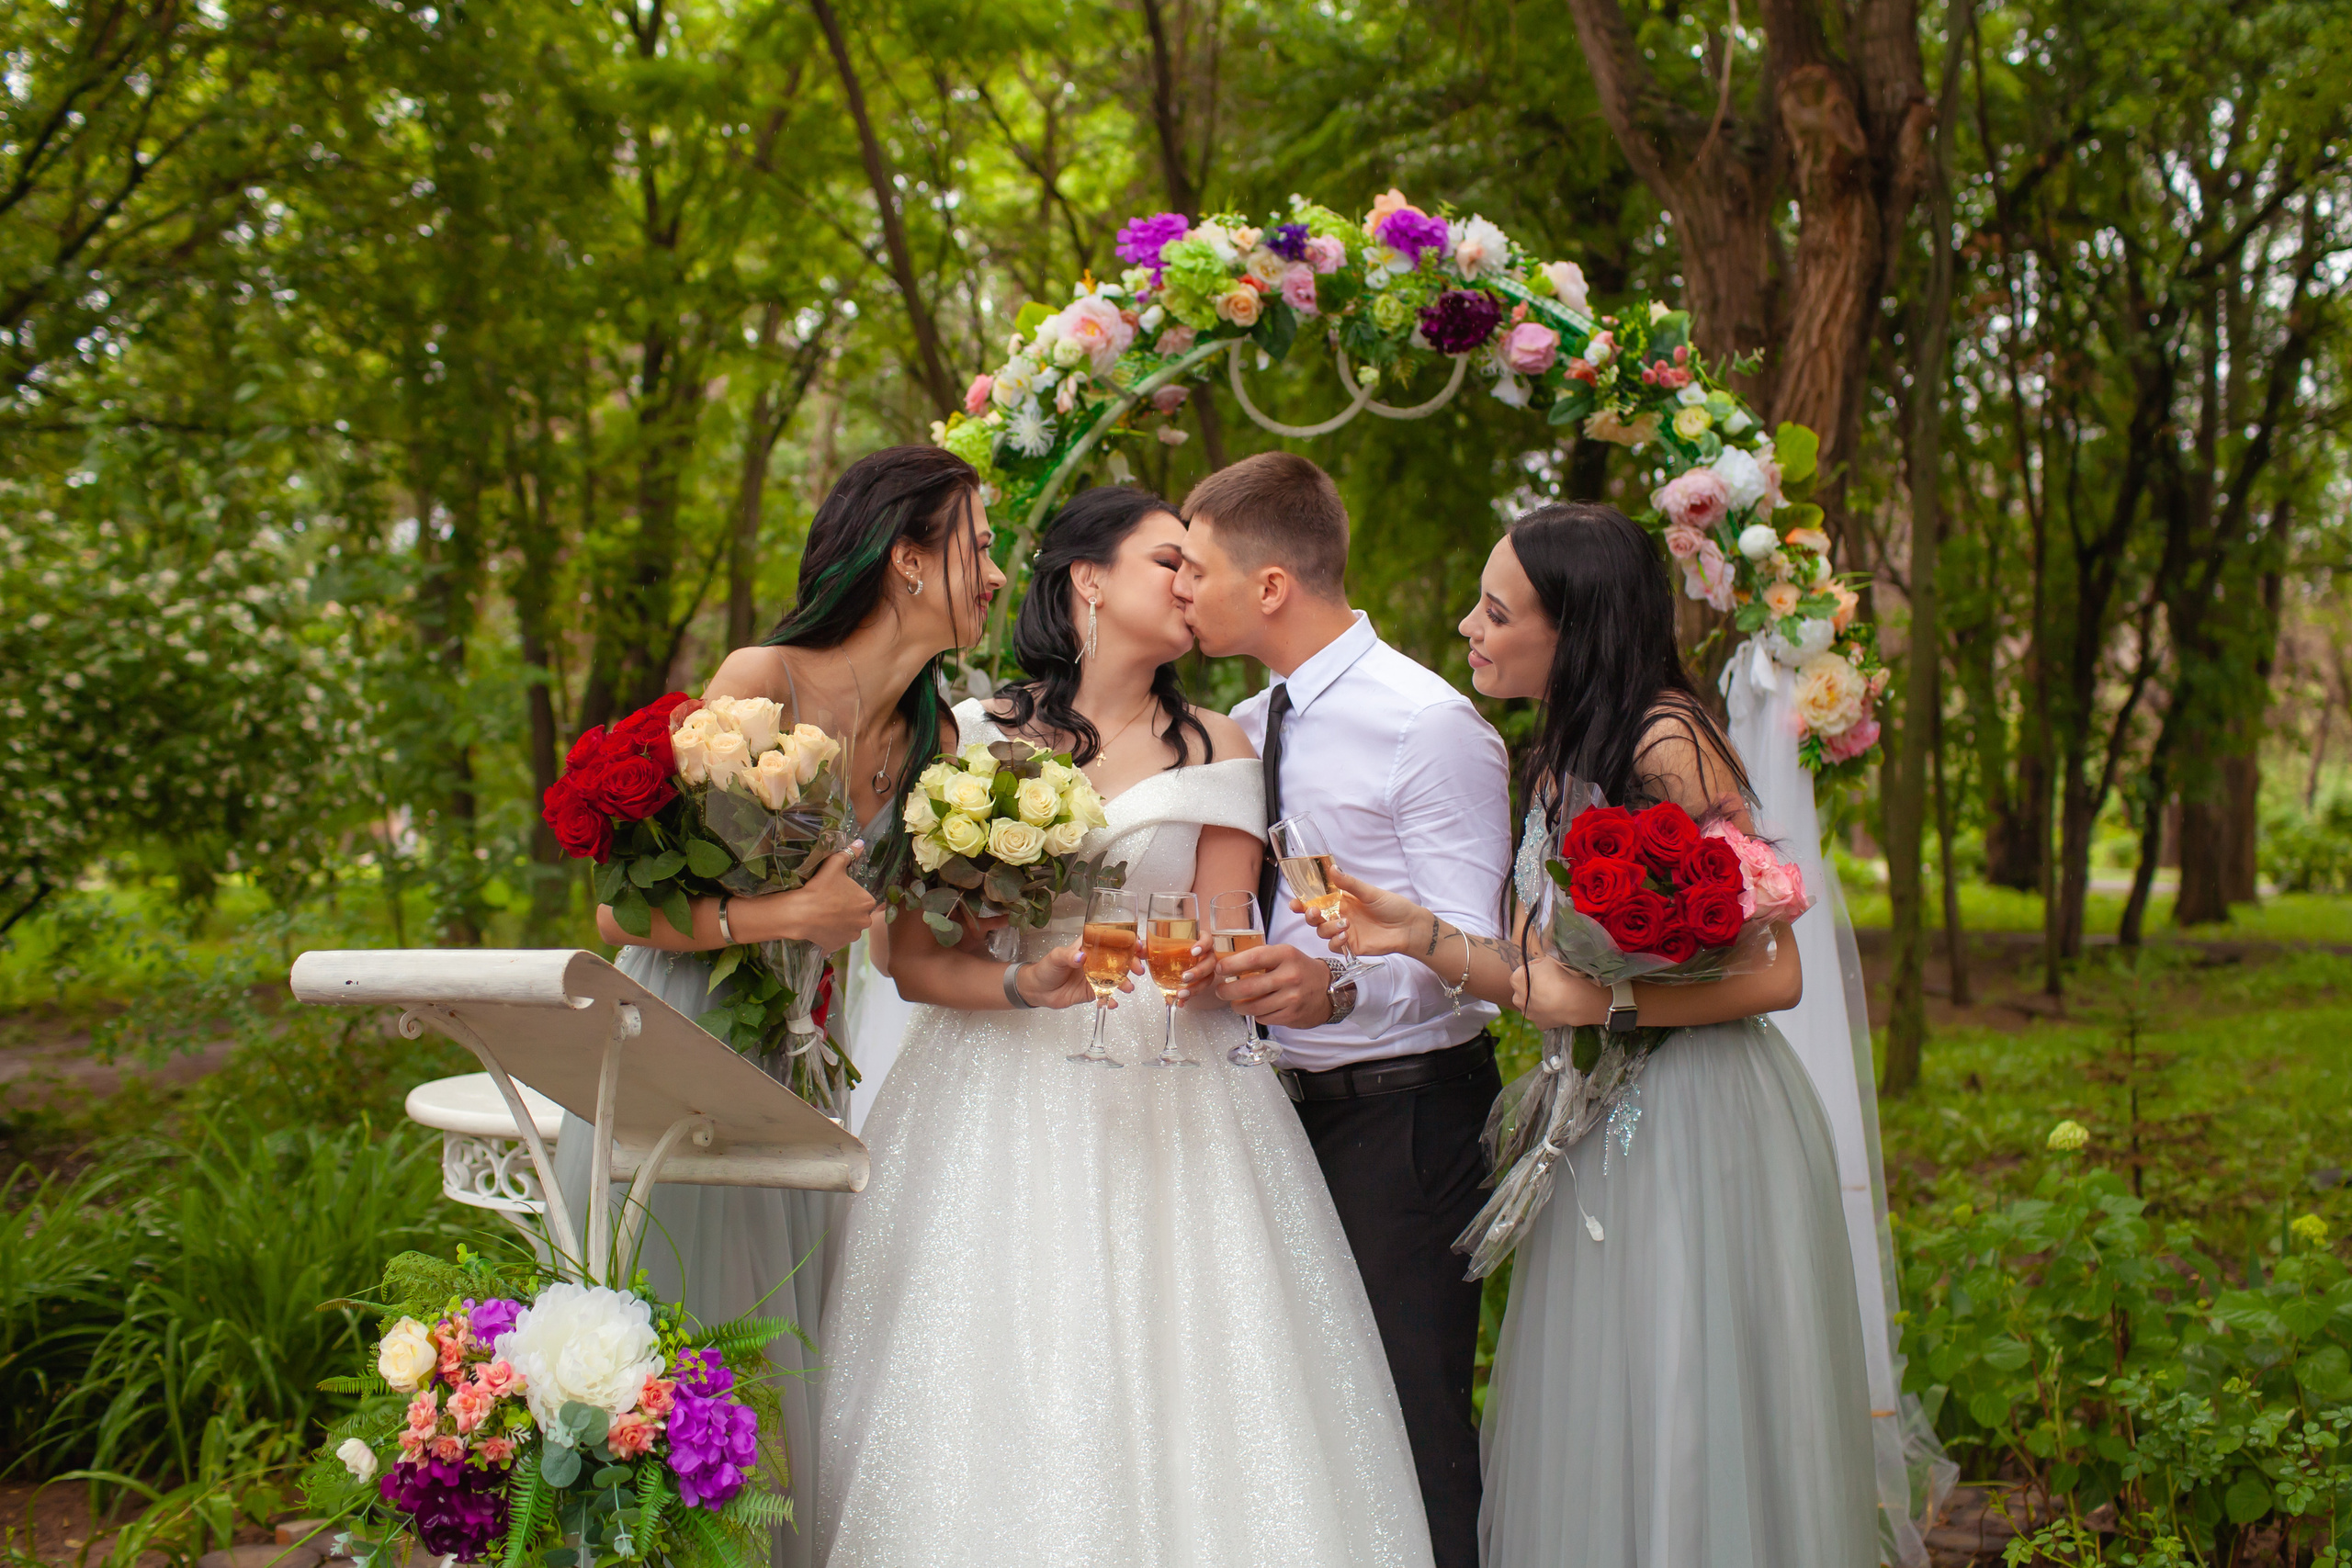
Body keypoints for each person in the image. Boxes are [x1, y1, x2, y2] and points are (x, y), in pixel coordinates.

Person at [817, 486, 1433, 1568]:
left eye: (1198, 568)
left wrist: (1211, 973)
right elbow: (907, 959)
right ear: (1087, 580)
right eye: (1168, 562)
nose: (1192, 585)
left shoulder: (1222, 743)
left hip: (1173, 1090)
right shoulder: (967, 732)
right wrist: (1019, 986)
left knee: (1192, 1374)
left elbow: (1227, 932)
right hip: (991, 1094)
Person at [1300, 502, 1879, 1566]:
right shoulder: (1561, 750)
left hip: (1698, 1121)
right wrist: (1416, 932)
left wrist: (1612, 1008)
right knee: (1606, 1394)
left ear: (1576, 627)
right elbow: (1537, 986)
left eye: (1496, 610)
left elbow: (1776, 971)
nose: (1470, 630)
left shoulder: (1669, 745)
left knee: (1680, 1387)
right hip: (1596, 1124)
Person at [554, 444, 1005, 1568]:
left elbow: (906, 956)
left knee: (770, 1369)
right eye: (980, 545)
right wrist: (780, 920)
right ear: (909, 559)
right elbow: (618, 917)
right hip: (676, 1040)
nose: (998, 574)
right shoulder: (763, 680)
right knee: (652, 1357)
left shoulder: (935, 740)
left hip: (801, 1067)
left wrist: (1023, 957)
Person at [1170, 452, 1511, 1568]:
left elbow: (1479, 953)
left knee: (1411, 1425)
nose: (1180, 585)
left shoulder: (1428, 723)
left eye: (1198, 564)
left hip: (1404, 1123)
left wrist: (1342, 986)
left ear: (1269, 585)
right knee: (1297, 1425)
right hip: (1272, 1116)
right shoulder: (1243, 721)